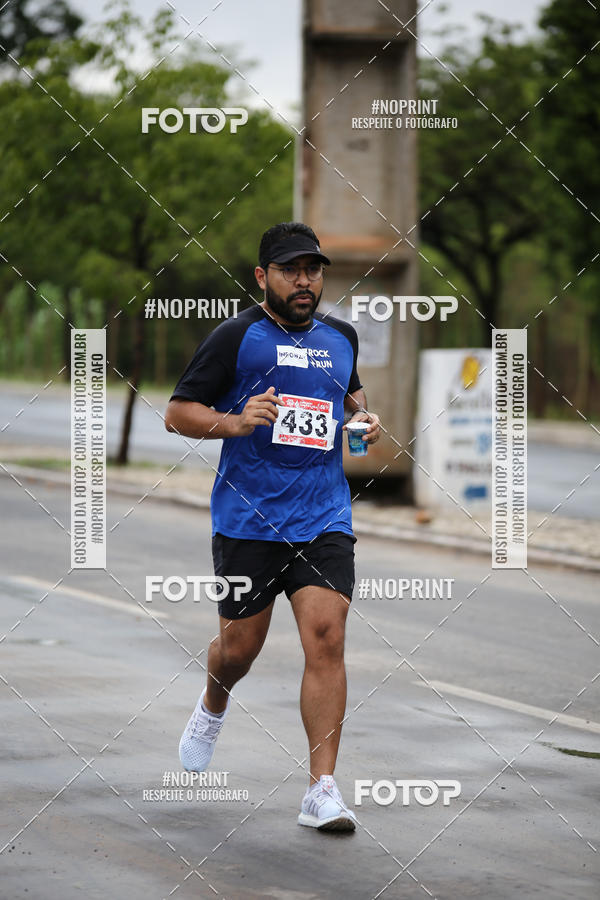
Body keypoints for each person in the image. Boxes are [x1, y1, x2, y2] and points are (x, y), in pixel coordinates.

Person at [165, 221, 380, 831]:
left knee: (327, 635)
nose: (304, 280)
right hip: (248, 520)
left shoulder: (342, 337)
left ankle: (322, 789)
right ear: (264, 277)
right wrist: (235, 421)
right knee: (239, 650)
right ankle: (212, 704)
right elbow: (177, 413)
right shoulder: (236, 337)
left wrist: (363, 426)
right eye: (290, 270)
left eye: (313, 269)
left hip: (322, 516)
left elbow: (350, 403)